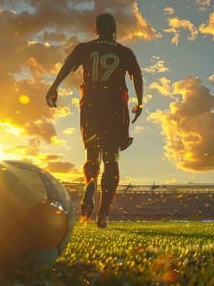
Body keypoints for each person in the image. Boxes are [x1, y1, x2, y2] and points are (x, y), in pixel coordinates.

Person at [45, 13, 143, 228]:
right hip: (115, 108)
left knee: (92, 153)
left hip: (91, 106)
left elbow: (68, 66)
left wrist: (53, 88)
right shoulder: (124, 52)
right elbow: (137, 75)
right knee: (111, 159)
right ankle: (103, 213)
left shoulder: (85, 48)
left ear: (96, 30)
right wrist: (140, 102)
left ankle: (90, 182)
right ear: (114, 30)